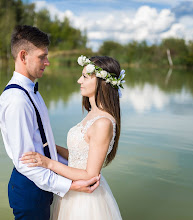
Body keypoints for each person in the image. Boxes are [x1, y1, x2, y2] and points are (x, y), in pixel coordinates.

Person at [0, 25, 100, 220]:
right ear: (23, 56)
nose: (48, 62)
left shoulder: (31, 92)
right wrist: (70, 185)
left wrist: (75, 172)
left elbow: (43, 147)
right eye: (42, 57)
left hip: (44, 183)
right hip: (31, 189)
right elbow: (26, 162)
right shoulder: (17, 100)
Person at [20, 55, 125, 219]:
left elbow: (90, 174)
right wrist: (54, 148)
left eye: (84, 76)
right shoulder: (93, 114)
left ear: (101, 82)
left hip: (86, 199)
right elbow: (80, 155)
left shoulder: (103, 122)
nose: (79, 81)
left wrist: (48, 163)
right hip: (72, 190)